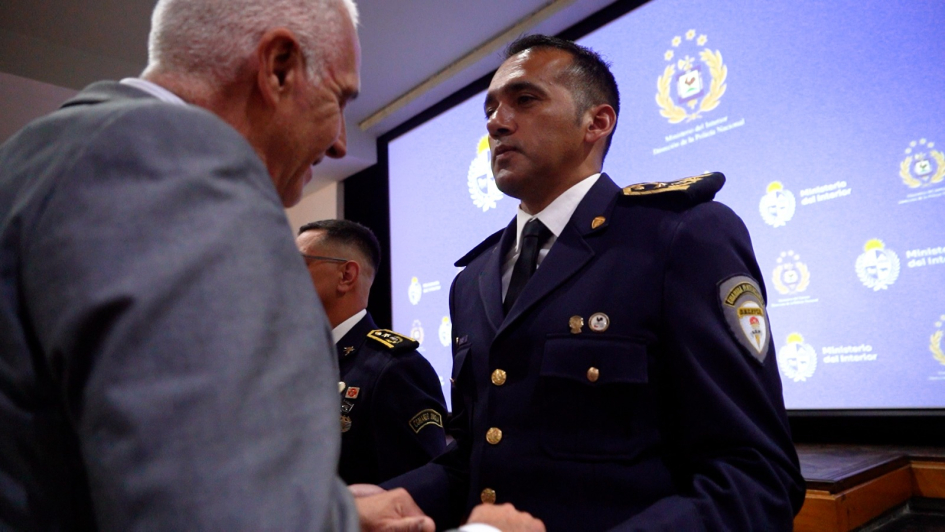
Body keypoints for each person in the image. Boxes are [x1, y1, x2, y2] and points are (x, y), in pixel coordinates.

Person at [0, 0, 436, 529]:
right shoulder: (183, 171)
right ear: (278, 68)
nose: (342, 141)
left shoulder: (36, 153)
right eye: (338, 99)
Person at [384, 34, 806, 531]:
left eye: (524, 99)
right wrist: (389, 499)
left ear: (596, 122)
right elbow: (476, 458)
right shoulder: (473, 279)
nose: (496, 123)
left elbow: (757, 476)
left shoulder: (679, 235)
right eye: (490, 109)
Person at [296, 219, 448, 485]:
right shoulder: (298, 363)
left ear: (346, 276)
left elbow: (416, 491)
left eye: (297, 262)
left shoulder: (394, 368)